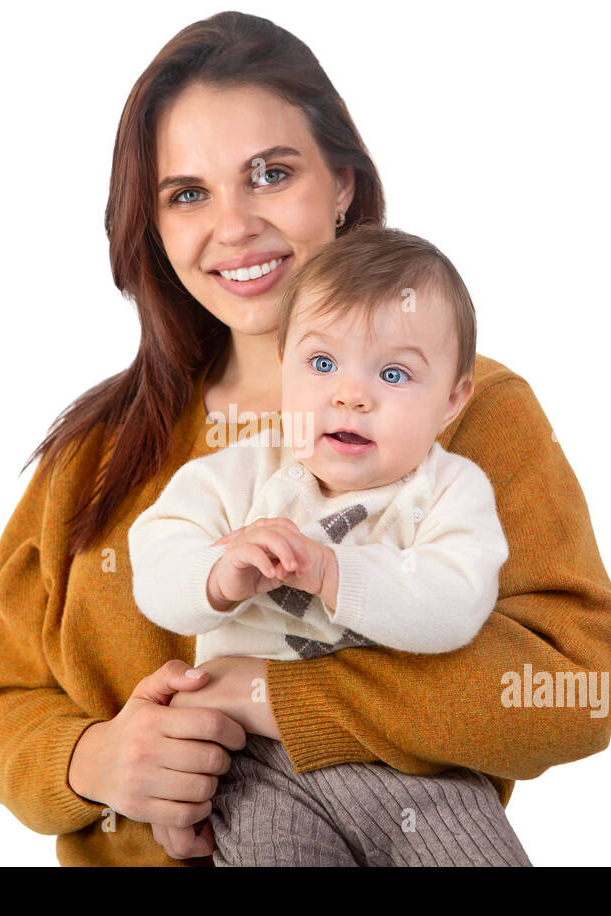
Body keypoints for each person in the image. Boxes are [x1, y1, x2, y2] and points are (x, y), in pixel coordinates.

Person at [0, 11, 611, 866]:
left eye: (270, 174)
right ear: (154, 226)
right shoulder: (92, 454)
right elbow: (1, 704)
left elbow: (576, 686)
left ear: (343, 183)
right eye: (188, 193)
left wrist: (282, 699)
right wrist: (94, 762)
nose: (233, 226)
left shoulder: (472, 410)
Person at [127, 223, 533, 865]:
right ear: (283, 364)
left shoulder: (453, 489)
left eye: (394, 373)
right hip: (256, 769)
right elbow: (153, 561)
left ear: (453, 401)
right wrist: (217, 575)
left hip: (414, 764)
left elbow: (456, 602)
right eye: (322, 364)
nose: (351, 394)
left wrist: (336, 572)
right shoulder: (236, 475)